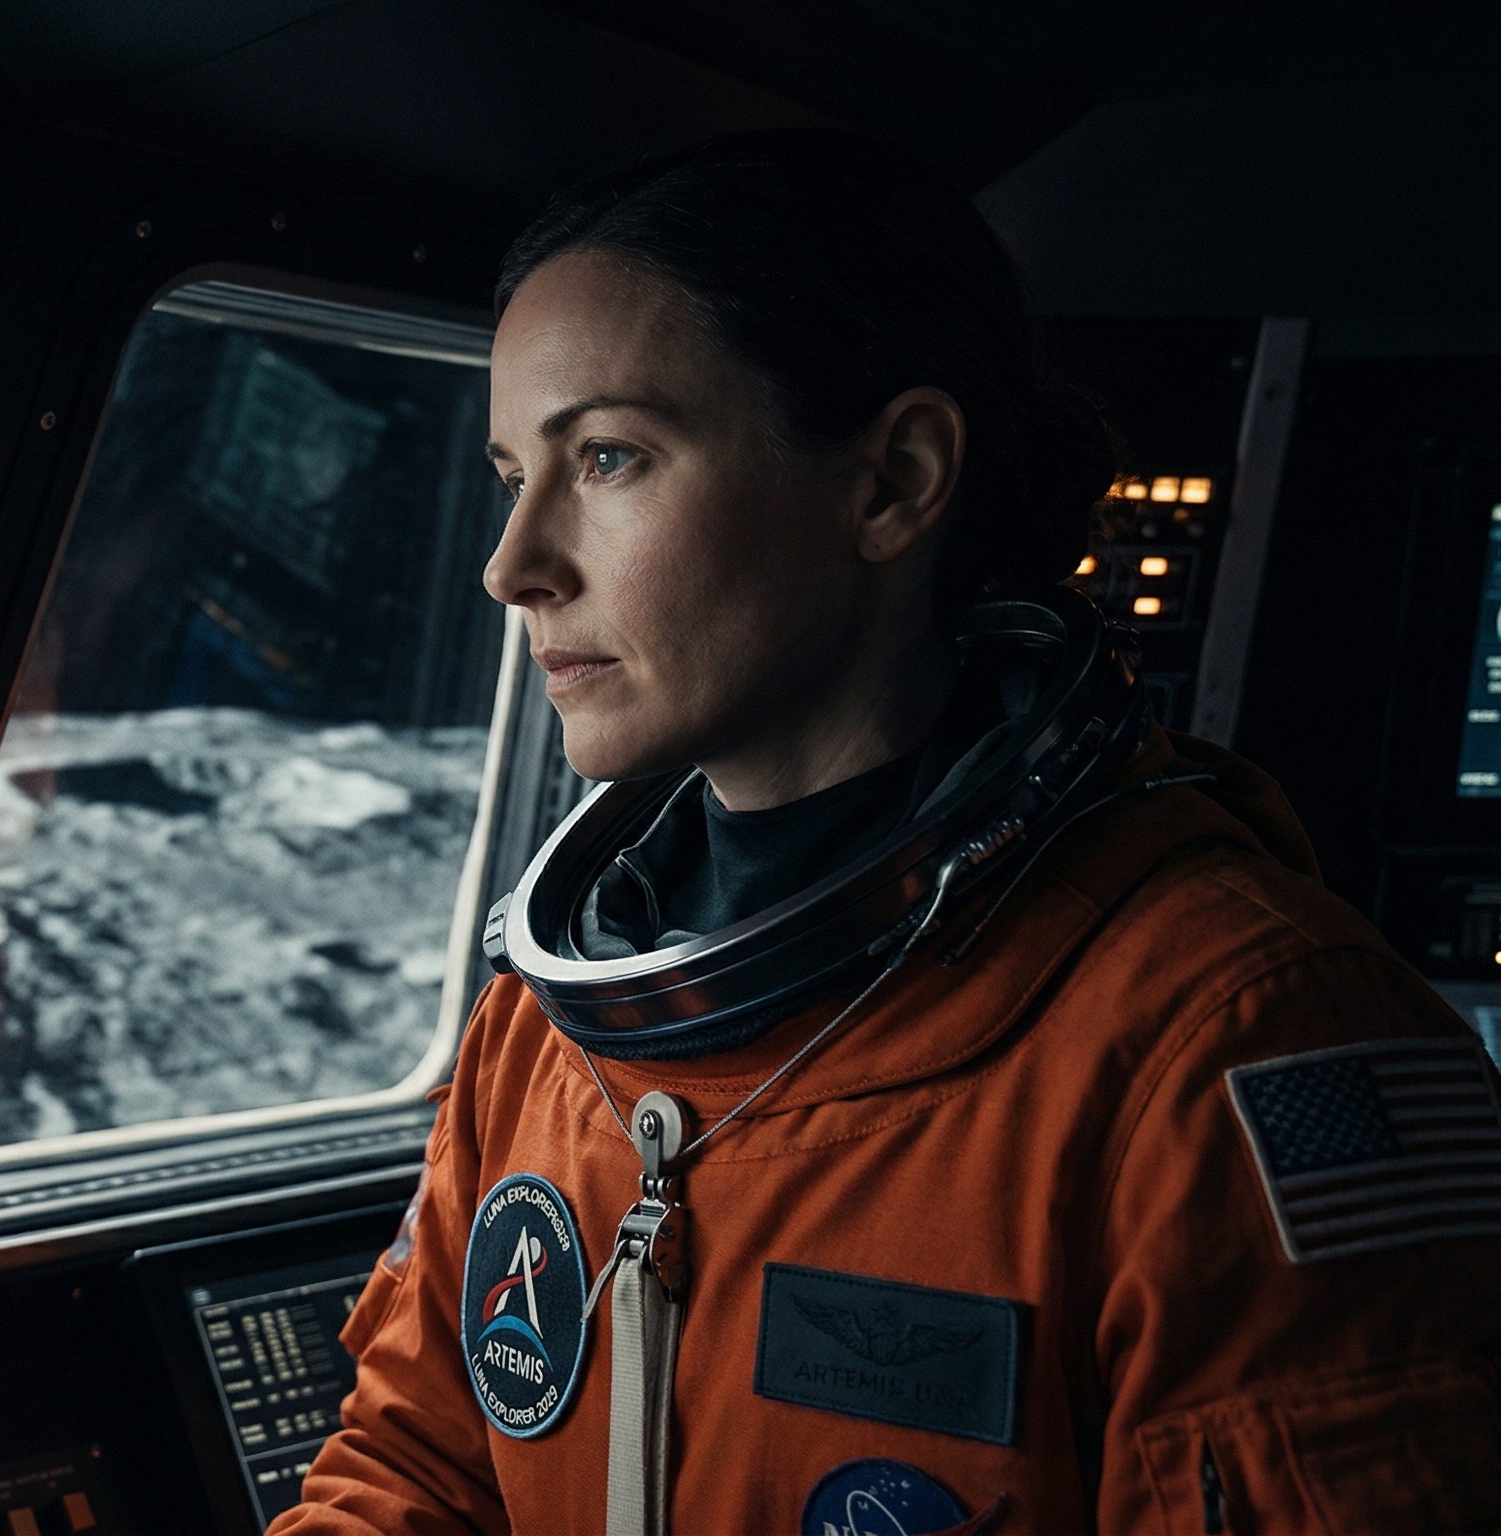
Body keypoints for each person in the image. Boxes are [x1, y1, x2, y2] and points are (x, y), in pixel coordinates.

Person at [271, 130, 1501, 1535]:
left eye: (607, 456)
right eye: (511, 474)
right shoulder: (552, 1029)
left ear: (893, 482)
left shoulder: (1236, 1044)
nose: (515, 566)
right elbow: (417, 1471)